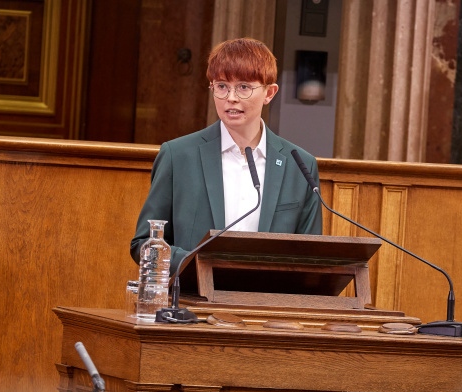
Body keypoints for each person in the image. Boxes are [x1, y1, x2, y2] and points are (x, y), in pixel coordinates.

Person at [130, 38, 323, 275]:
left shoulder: (299, 165)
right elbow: (144, 245)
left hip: (268, 305)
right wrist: (199, 264)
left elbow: (312, 256)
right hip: (194, 305)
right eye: (221, 86)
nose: (231, 97)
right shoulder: (178, 156)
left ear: (269, 93)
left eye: (243, 87)